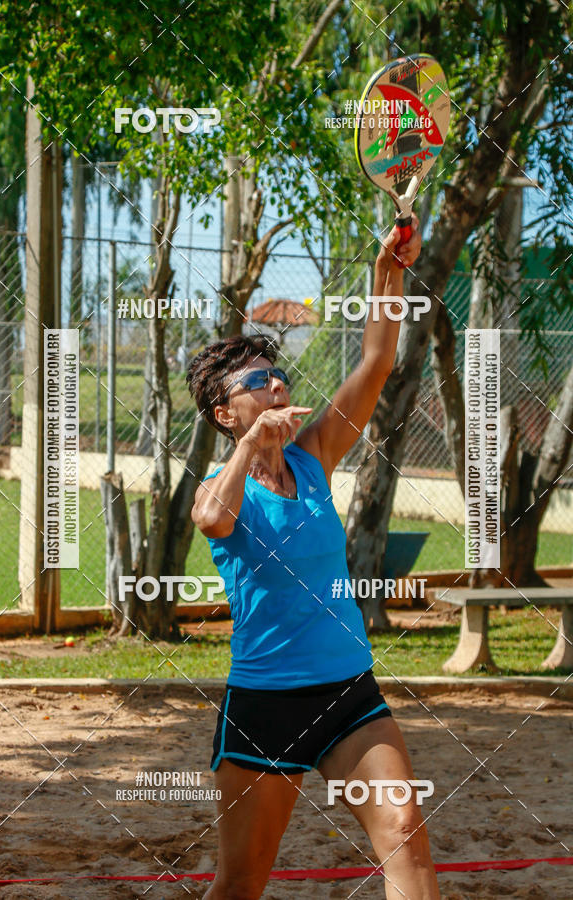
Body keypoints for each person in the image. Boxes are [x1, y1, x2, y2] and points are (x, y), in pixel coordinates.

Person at [187, 218, 439, 900]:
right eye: (257, 382)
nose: (276, 387)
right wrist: (249, 450)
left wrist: (388, 271)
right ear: (222, 414)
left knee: (406, 833)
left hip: (349, 692)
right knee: (242, 881)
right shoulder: (222, 487)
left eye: (279, 376)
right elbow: (212, 518)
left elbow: (377, 361)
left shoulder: (315, 454)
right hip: (265, 706)